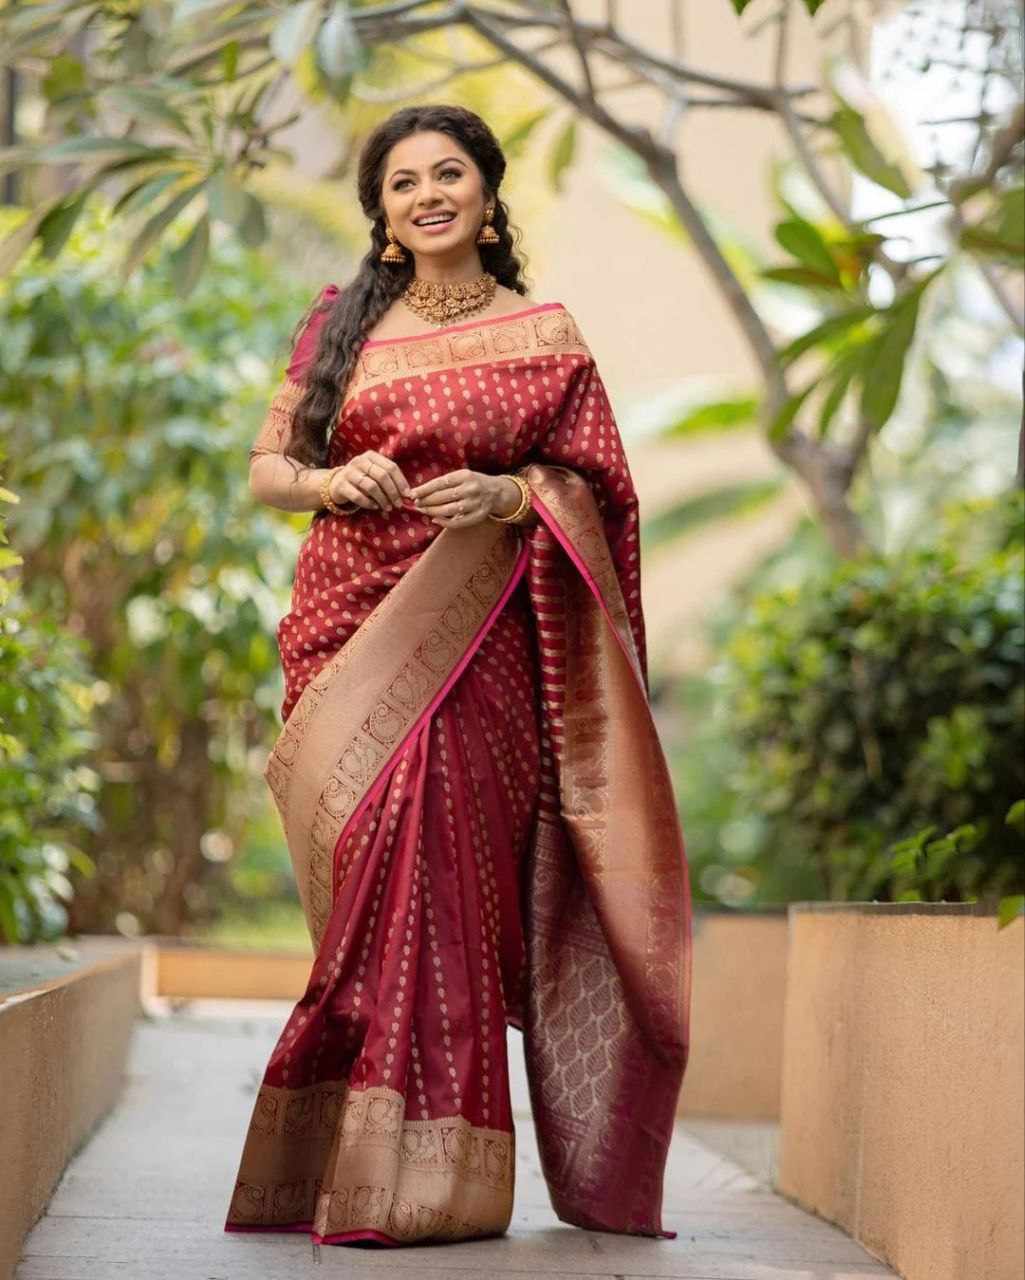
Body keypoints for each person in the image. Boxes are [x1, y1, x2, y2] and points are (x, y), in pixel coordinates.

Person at [223, 102, 692, 1250]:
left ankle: (434, 1181)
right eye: (402, 183)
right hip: (347, 629)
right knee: (373, 883)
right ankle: (336, 1161)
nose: (426, 194)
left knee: (444, 880)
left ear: (485, 195)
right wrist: (332, 482)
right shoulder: (338, 325)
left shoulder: (545, 335)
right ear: (383, 215)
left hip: (481, 643)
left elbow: (602, 495)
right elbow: (269, 468)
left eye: (447, 174)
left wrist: (513, 494)